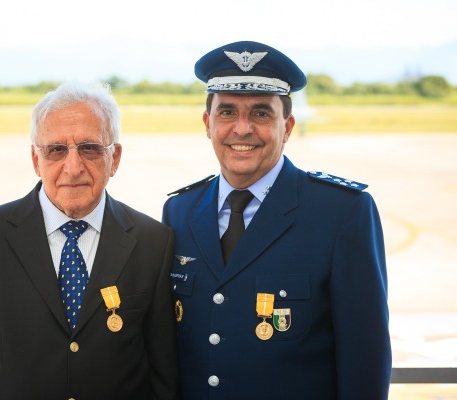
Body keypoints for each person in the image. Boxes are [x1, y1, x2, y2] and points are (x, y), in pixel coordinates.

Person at [162, 41, 392, 400]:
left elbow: (365, 358)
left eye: (261, 114)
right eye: (226, 113)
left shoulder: (342, 213)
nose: (242, 129)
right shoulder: (180, 211)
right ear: (208, 124)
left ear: (288, 126)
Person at [0, 82, 180, 399]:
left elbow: (163, 378)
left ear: (114, 158)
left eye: (89, 148)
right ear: (36, 160)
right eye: (56, 150)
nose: (73, 168)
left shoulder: (153, 242)